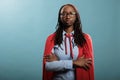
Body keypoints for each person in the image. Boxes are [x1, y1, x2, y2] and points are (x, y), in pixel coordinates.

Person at [42, 4, 94, 80]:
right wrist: (74, 63)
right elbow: (48, 66)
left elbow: (87, 64)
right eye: (63, 13)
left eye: (71, 13)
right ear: (60, 17)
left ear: (76, 16)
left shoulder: (85, 38)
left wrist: (58, 61)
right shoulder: (51, 39)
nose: (67, 16)